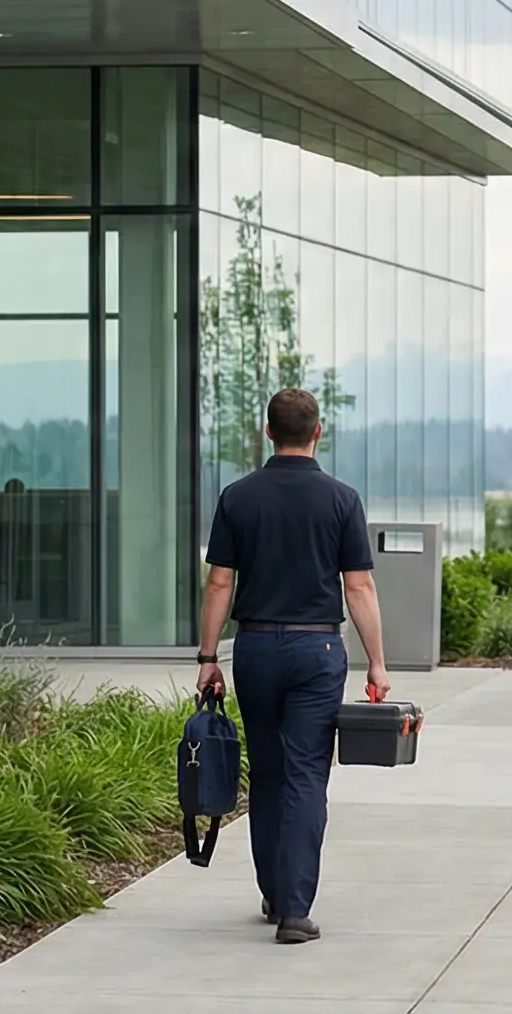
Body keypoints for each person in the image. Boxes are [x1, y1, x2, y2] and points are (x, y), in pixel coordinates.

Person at [194, 388, 388, 945]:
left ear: (267, 432)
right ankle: (295, 910)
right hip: (317, 653)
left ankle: (275, 890)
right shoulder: (341, 499)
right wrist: (376, 662)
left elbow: (220, 582)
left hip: (255, 648)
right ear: (318, 432)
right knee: (307, 776)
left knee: (269, 772)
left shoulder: (238, 497)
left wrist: (210, 657)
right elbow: (359, 586)